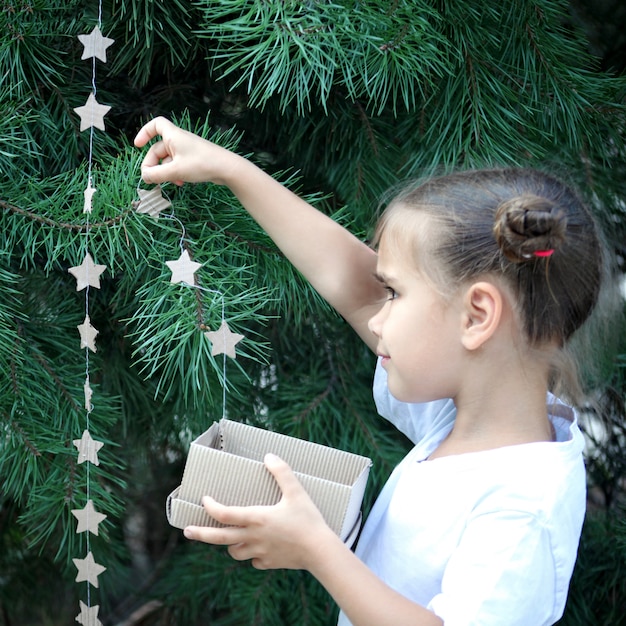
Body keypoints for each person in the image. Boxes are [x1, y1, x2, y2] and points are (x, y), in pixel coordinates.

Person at [134, 117, 605, 626]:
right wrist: (233, 171)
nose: (377, 316)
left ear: (476, 317)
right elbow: (356, 289)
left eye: (396, 294)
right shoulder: (462, 416)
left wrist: (318, 550)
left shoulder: (523, 504)